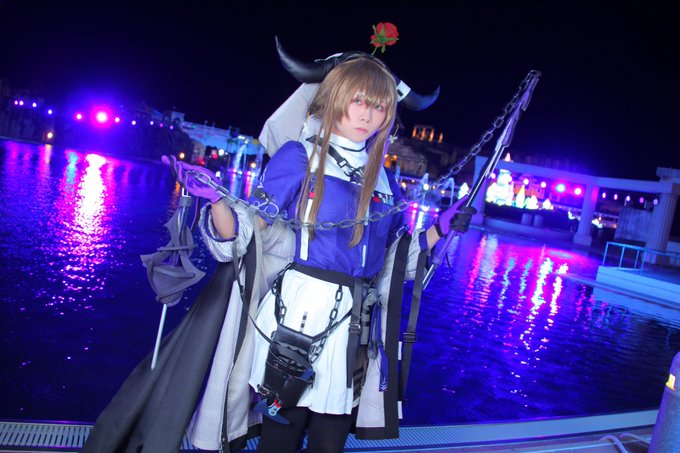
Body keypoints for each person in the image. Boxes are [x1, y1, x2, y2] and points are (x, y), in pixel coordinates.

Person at [171, 52, 475, 453]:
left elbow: (393, 259)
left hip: (355, 323)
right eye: (358, 100)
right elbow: (246, 234)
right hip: (299, 314)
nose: (367, 114)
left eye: (379, 105)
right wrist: (215, 200)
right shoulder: (299, 156)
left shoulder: (384, 180)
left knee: (330, 442)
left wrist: (441, 226)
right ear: (334, 99)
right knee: (281, 435)